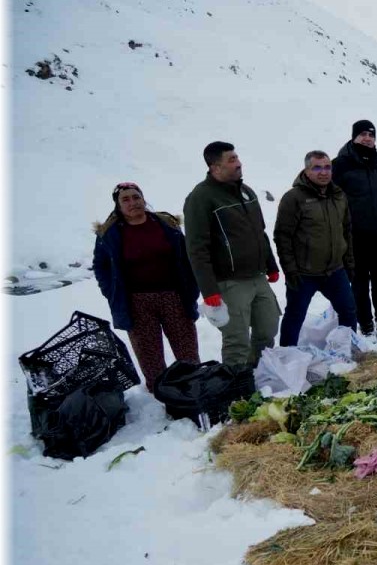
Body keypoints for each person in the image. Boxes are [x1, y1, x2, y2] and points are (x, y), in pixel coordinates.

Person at [93, 182, 200, 391]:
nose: (133, 203)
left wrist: (192, 287)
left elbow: (187, 257)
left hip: (173, 296)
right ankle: (162, 394)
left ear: (143, 199)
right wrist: (111, 293)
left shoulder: (166, 224)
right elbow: (101, 266)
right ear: (118, 205)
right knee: (149, 356)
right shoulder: (110, 233)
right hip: (136, 302)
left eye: (136, 197)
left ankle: (194, 387)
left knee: (187, 350)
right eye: (126, 199)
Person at [183, 141, 281, 369]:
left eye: (237, 158)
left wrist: (271, 264)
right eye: (232, 160)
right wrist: (209, 290)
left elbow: (260, 232)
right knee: (237, 340)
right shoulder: (201, 198)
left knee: (268, 329)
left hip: (257, 277)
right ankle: (236, 389)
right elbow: (197, 248)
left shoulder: (245, 191)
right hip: (230, 282)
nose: (239, 164)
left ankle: (258, 373)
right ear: (215, 167)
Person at [273, 151, 357, 347]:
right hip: (304, 274)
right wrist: (290, 269)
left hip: (335, 270)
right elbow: (282, 236)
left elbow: (346, 230)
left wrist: (349, 262)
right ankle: (287, 356)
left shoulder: (338, 195)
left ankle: (348, 349)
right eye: (317, 167)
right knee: (295, 316)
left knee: (348, 310)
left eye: (327, 167)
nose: (323, 172)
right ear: (306, 170)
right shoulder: (293, 198)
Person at [332, 119, 377, 335]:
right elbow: (333, 198)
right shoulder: (341, 163)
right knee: (359, 282)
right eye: (363, 134)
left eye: (371, 134)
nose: (367, 138)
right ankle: (365, 322)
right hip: (355, 235)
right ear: (354, 136)